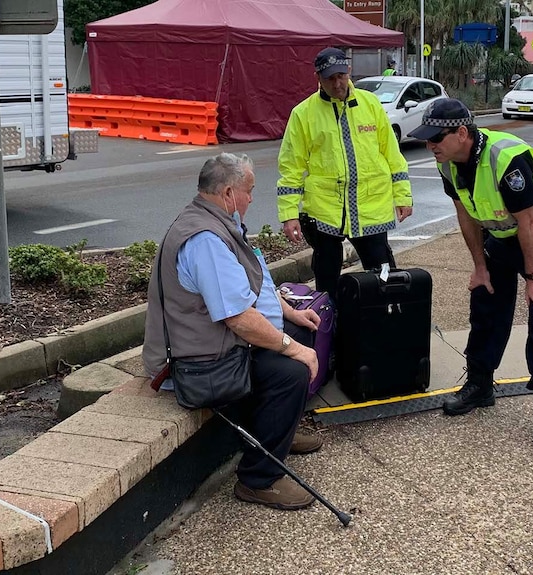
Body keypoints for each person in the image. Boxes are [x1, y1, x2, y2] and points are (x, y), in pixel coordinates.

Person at [143, 153, 324, 510]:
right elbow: (238, 317)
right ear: (228, 192)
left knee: (300, 335)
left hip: (217, 346)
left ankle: (278, 439)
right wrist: (291, 347)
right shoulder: (205, 240)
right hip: (195, 363)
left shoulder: (218, 220)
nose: (252, 199)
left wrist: (289, 314)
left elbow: (253, 283)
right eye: (249, 190)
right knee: (291, 370)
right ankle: (259, 479)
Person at [407, 98, 533, 449]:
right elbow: (466, 215)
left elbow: (529, 222)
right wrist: (480, 267)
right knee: (485, 303)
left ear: (461, 132)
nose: (430, 146)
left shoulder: (506, 159)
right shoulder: (448, 163)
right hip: (502, 236)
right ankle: (480, 384)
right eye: (427, 139)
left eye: (436, 138)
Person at [277, 47, 413, 295]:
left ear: (349, 71)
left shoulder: (370, 104)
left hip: (371, 209)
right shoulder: (303, 114)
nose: (337, 83)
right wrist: (289, 214)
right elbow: (291, 168)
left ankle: (385, 324)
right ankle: (330, 326)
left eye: (341, 75)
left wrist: (403, 196)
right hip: (326, 212)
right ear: (318, 78)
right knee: (326, 281)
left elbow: (392, 155)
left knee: (384, 278)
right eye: (330, 78)